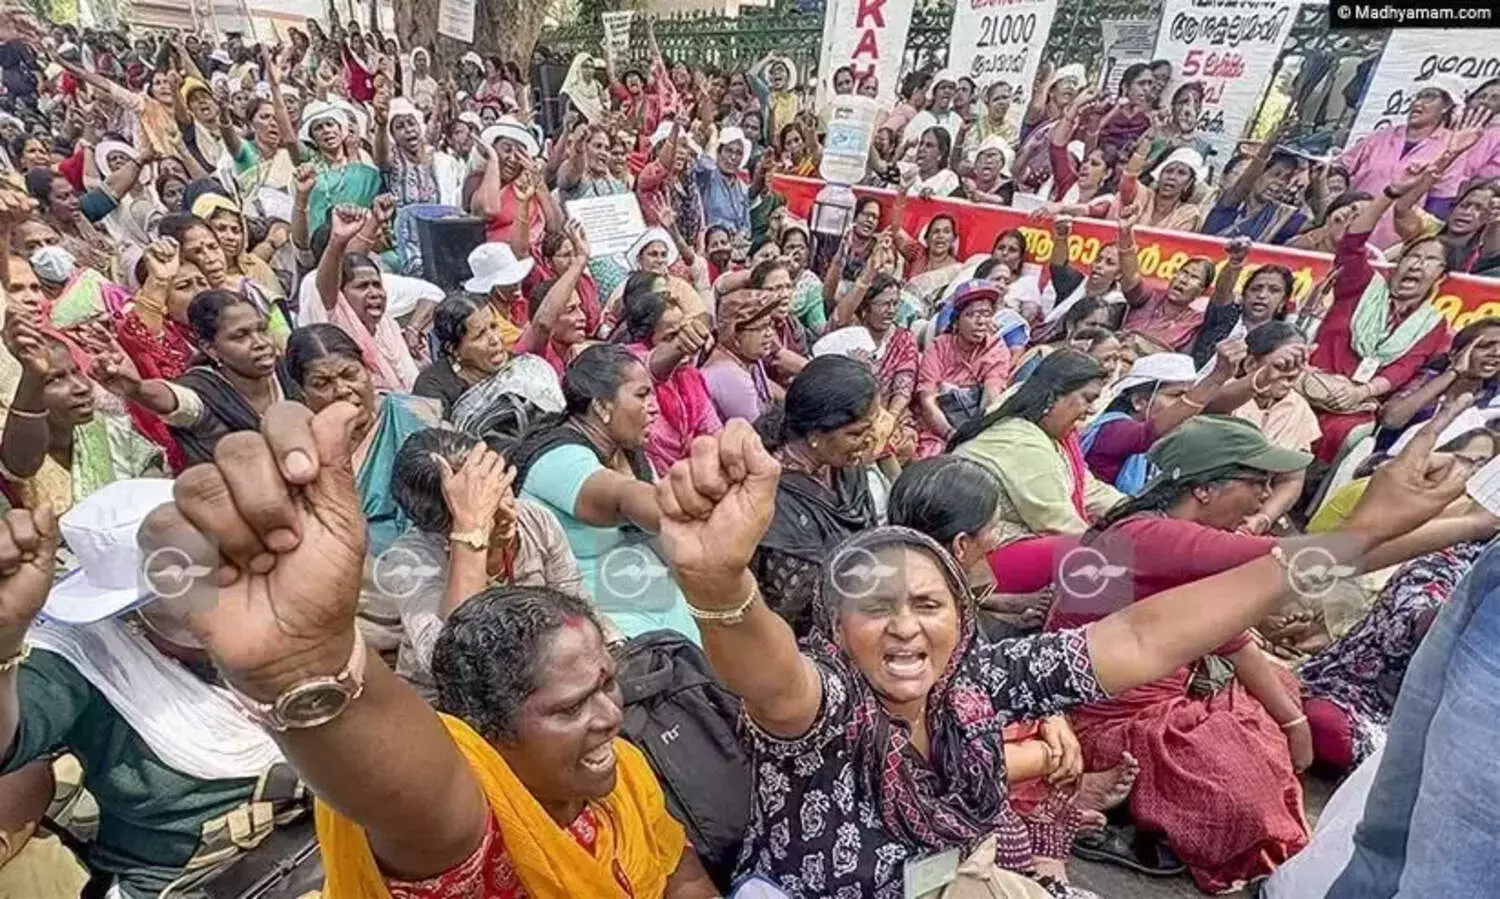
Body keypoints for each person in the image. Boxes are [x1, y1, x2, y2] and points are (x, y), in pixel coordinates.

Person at [640, 397, 1475, 897]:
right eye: (873, 607)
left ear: (961, 615)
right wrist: (720, 590)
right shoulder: (821, 705)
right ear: (833, 630)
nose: (903, 624)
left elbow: (1146, 632)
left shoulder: (983, 680)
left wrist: (1359, 538)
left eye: (926, 602)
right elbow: (766, 672)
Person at [136, 445, 719, 896]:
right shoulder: (477, 832)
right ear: (489, 740)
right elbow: (420, 790)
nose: (611, 716)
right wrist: (308, 667)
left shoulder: (623, 775)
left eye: (605, 685)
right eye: (570, 708)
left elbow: (677, 868)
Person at [0, 481, 313, 899]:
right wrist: (4, 645)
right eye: (187, 589)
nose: (221, 591)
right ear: (132, 613)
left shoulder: (274, 614)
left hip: (312, 839)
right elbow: (13, 729)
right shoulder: (83, 661)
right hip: (191, 884)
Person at [887, 455, 1141, 866]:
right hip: (909, 781)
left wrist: (1050, 717)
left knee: (1045, 711)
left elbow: (984, 670)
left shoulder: (910, 573)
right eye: (993, 526)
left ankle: (1054, 801)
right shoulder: (917, 619)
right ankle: (1051, 800)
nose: (998, 538)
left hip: (943, 740)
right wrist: (1046, 756)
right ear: (961, 545)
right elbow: (934, 748)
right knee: (1013, 843)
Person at [380, 428, 615, 700]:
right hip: (451, 705)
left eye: (500, 484)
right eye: (489, 500)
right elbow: (455, 666)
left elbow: (577, 607)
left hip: (543, 681)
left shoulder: (535, 520)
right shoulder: (409, 560)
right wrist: (472, 535)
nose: (508, 505)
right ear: (442, 527)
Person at [509, 343, 699, 643]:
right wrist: (700, 502)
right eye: (641, 395)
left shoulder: (629, 452)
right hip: (588, 616)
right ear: (601, 406)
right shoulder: (559, 458)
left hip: (648, 592)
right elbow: (625, 498)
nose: (653, 406)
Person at [1303, 160, 1456, 463]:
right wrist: (1389, 194)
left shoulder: (1433, 325)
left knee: (1352, 433)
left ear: (1440, 277)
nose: (1416, 264)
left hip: (1354, 404)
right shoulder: (1361, 283)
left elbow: (1403, 369)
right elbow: (1353, 243)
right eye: (1412, 256)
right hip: (1309, 383)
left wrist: (1359, 393)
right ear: (1398, 262)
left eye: (1429, 260)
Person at [749, 355, 879, 636]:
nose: (869, 441)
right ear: (815, 434)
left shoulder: (843, 469)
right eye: (857, 433)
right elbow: (795, 609)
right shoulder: (773, 500)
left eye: (871, 427)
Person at [284, 324, 440, 556]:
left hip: (427, 567)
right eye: (322, 384)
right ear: (302, 392)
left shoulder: (415, 417)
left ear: (367, 371)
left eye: (350, 375)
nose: (342, 390)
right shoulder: (301, 448)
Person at [92, 289, 293, 465]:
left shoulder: (288, 373)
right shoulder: (205, 390)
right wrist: (137, 390)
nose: (260, 342)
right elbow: (175, 400)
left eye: (262, 329)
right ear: (210, 348)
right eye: (241, 336)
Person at [0, 316, 161, 513]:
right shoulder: (12, 447)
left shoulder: (106, 430)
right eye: (54, 380)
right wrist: (34, 373)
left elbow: (152, 477)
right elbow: (21, 466)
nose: (82, 387)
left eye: (76, 372)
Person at [1080, 346, 1246, 496]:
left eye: (1186, 397)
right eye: (1176, 396)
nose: (1183, 405)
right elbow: (1146, 435)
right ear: (1139, 401)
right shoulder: (1113, 429)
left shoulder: (1170, 440)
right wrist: (1216, 378)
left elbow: (1212, 407)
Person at [611, 272, 721, 476]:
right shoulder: (630, 367)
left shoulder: (689, 377)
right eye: (670, 337)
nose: (684, 344)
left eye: (683, 330)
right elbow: (652, 366)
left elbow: (713, 431)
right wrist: (679, 345)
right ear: (646, 339)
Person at [1339, 82, 1465, 248]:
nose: (1418, 103)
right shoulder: (1382, 136)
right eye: (1417, 97)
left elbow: (1439, 204)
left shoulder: (1450, 146)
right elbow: (1342, 168)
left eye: (1429, 97)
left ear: (1446, 107)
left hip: (1395, 242)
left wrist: (1418, 242)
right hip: (1348, 230)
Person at [315, 204, 419, 391]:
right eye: (362, 286)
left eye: (377, 285)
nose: (374, 293)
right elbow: (327, 285)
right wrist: (338, 240)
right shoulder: (340, 319)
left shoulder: (388, 327)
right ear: (343, 294)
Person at [1230, 323, 1321, 533]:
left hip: (1260, 506)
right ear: (1251, 363)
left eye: (1297, 368)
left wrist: (1262, 519)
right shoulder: (1225, 395)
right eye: (1282, 366)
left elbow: (1291, 481)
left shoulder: (1299, 409)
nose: (1290, 377)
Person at [913, 281, 1011, 458]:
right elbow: (927, 400)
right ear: (956, 320)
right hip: (937, 429)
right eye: (971, 315)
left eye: (986, 314)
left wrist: (972, 439)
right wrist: (951, 436)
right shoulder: (939, 347)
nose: (981, 321)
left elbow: (991, 398)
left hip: (976, 428)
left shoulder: (996, 349)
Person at [831, 268, 918, 466]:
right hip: (854, 410)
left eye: (895, 303)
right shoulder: (851, 335)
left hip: (893, 411)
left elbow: (904, 385)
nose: (891, 310)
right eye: (884, 304)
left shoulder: (904, 339)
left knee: (902, 442)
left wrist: (890, 418)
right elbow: (837, 318)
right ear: (866, 307)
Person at [1376, 317, 1500, 452]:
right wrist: (1454, 372)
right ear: (1455, 353)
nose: (1497, 353)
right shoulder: (1426, 379)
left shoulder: (1492, 402)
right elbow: (1390, 420)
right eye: (1485, 346)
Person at [1117, 203, 1215, 354]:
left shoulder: (1195, 321)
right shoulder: (1149, 297)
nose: (1184, 280)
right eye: (1183, 272)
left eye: (1194, 277)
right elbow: (1131, 275)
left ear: (1201, 290)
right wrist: (1125, 233)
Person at [1189, 237, 1294, 368]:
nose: (1261, 295)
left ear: (1283, 302)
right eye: (1256, 288)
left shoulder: (1279, 341)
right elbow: (1222, 291)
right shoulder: (1225, 317)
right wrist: (1234, 264)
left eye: (1274, 290)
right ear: (1243, 295)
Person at [413, 293, 512, 415]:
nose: (495, 340)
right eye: (480, 335)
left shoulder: (517, 367)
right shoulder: (432, 388)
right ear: (453, 349)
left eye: (494, 326)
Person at [701, 287, 779, 425]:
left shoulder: (749, 357)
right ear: (735, 336)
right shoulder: (728, 374)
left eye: (769, 325)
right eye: (760, 328)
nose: (769, 334)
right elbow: (760, 431)